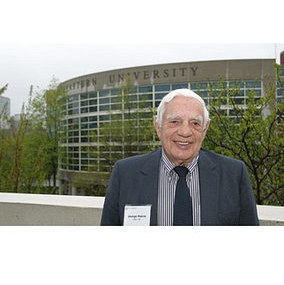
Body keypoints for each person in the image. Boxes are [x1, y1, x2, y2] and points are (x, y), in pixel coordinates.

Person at [100, 88, 259, 226]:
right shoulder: (125, 174)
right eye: (175, 121)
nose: (185, 132)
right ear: (158, 126)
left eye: (195, 123)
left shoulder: (234, 174)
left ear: (205, 129)